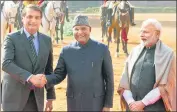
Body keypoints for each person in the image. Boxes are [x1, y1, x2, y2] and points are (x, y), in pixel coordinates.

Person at [44, 14, 114, 111]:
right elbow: (59, 75)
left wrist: (108, 105)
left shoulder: (102, 49)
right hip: (74, 103)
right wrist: (44, 79)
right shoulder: (66, 51)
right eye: (76, 29)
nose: (80, 32)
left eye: (83, 28)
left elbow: (109, 78)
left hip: (96, 103)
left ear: (90, 30)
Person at [1, 4, 56, 111]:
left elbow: (49, 70)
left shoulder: (47, 40)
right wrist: (30, 77)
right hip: (14, 97)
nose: (33, 20)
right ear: (22, 18)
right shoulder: (11, 38)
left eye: (37, 17)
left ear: (41, 20)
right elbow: (6, 63)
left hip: (36, 98)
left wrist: (50, 96)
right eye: (29, 17)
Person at [117, 18, 176, 111]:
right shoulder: (134, 51)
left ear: (157, 34)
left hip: (154, 109)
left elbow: (166, 86)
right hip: (132, 108)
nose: (141, 35)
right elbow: (124, 82)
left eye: (146, 32)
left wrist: (143, 103)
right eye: (141, 32)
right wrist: (131, 103)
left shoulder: (168, 54)